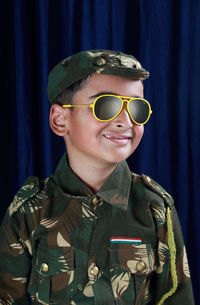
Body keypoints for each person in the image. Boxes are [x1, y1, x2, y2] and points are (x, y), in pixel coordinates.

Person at [0, 50, 195, 305]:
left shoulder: (154, 208)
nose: (125, 121)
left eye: (136, 108)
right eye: (106, 105)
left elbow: (176, 298)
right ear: (60, 120)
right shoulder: (29, 211)